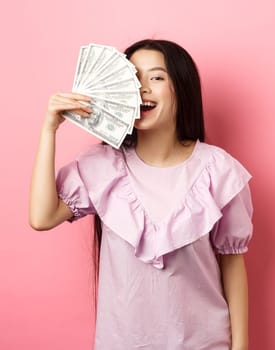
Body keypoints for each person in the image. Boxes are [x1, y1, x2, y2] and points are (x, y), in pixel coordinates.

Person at [29, 39, 252, 350]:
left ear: (181, 89)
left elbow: (232, 264)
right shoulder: (102, 166)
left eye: (156, 77)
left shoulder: (218, 170)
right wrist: (49, 129)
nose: (142, 88)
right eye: (132, 78)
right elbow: (41, 218)